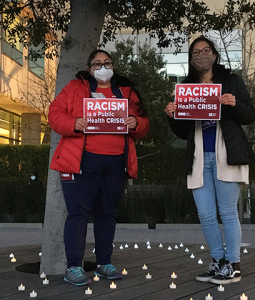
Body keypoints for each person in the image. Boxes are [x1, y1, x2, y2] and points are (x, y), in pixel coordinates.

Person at [48, 49, 149, 286]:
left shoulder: (126, 91)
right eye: (97, 64)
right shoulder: (75, 88)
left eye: (107, 63)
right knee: (78, 214)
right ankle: (73, 266)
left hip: (116, 164)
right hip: (81, 162)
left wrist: (136, 123)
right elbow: (54, 114)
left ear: (113, 65)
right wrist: (74, 123)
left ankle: (104, 263)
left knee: (107, 214)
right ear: (89, 68)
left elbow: (143, 124)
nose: (102, 67)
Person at [165, 36, 255, 284]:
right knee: (205, 214)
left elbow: (250, 115)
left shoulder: (231, 81)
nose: (201, 55)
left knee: (227, 212)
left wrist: (234, 103)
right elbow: (182, 132)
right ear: (191, 58)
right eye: (196, 52)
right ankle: (217, 261)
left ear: (215, 54)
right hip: (198, 158)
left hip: (226, 153)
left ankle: (233, 264)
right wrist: (172, 116)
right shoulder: (186, 87)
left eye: (206, 50)